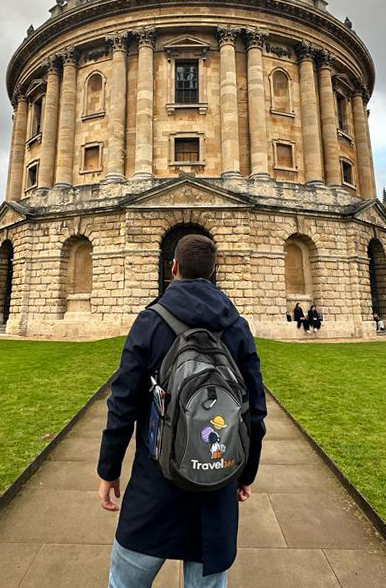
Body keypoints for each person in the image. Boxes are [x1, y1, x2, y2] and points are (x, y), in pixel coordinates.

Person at [98, 234, 267, 588]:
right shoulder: (236, 326)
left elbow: (123, 404)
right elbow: (254, 412)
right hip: (217, 476)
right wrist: (245, 473)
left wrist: (109, 470)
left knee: (124, 584)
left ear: (172, 267)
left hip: (154, 484)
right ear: (214, 270)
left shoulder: (149, 322)